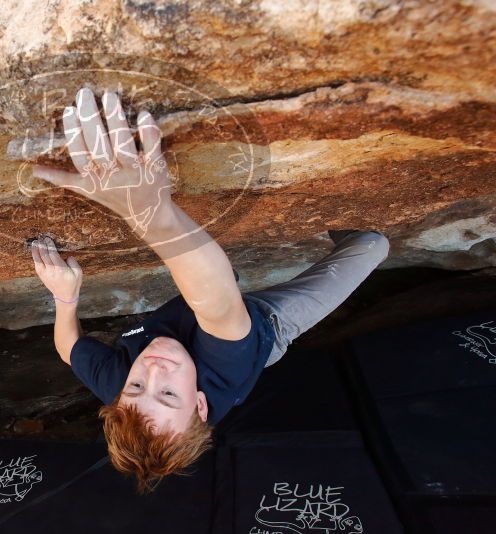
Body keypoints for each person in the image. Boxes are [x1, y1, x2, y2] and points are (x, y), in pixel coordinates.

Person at [29, 87, 390, 494]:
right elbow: (216, 301)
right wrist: (152, 214)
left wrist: (65, 296)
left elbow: (67, 347)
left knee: (217, 284)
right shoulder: (224, 371)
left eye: (135, 387)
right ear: (200, 404)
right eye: (168, 393)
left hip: (207, 312)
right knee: (373, 245)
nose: (152, 369)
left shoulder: (123, 394)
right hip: (266, 329)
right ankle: (345, 234)